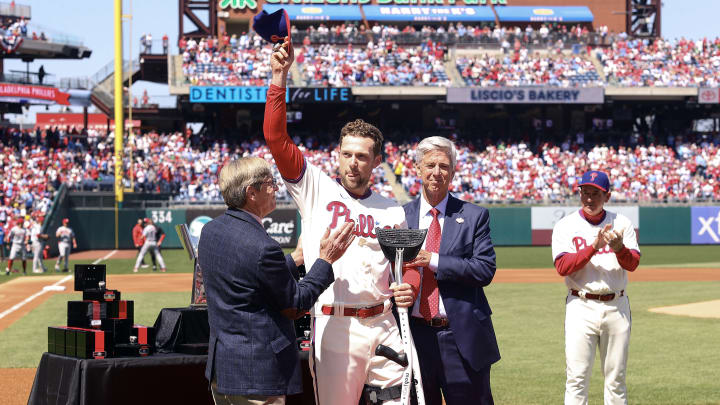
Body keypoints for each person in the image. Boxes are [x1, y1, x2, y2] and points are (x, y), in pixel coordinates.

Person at [265, 38, 411, 405]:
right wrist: (279, 77)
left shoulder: (394, 210)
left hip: (385, 324)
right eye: (346, 154)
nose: (352, 162)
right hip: (336, 325)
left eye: (361, 156)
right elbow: (276, 138)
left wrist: (408, 284)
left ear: (376, 161)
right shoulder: (316, 188)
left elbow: (405, 267)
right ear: (337, 155)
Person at [198, 157, 356, 404]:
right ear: (252, 192)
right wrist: (325, 260)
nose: (276, 188)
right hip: (258, 377)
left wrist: (295, 259)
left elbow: (247, 278)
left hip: (224, 369)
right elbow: (295, 304)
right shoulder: (263, 247)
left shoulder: (211, 231)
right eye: (270, 183)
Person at [392, 136, 500, 405]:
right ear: (417, 168)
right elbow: (387, 273)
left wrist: (433, 259)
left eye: (443, 166)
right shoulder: (399, 217)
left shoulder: (474, 216)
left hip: (460, 338)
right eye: (430, 165)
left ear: (453, 171)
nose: (436, 173)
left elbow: (484, 269)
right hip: (413, 338)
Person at [551, 170, 640, 405]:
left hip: (616, 306)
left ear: (607, 196)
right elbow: (562, 266)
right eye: (585, 193)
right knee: (577, 378)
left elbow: (633, 264)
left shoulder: (622, 223)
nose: (589, 199)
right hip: (580, 305)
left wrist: (620, 248)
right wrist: (593, 247)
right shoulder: (566, 225)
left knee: (616, 379)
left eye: (595, 194)